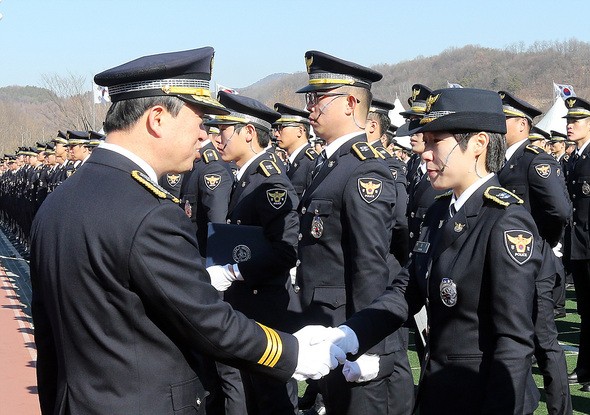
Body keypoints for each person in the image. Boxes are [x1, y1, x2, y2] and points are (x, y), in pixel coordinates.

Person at [30, 47, 344, 415]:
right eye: (198, 119)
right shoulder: (149, 211)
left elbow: (48, 339)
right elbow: (207, 320)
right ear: (157, 118)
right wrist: (292, 353)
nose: (204, 136)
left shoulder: (59, 201)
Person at [305, 87, 543, 415]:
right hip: (439, 391)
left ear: (479, 143)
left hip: (482, 397)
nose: (425, 153)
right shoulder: (439, 212)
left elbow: (514, 344)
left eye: (436, 141)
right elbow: (406, 290)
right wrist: (348, 335)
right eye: (425, 141)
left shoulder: (505, 221)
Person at [292, 50, 398, 415]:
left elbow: (369, 262)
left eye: (318, 99)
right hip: (327, 325)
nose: (310, 109)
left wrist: (368, 345)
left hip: (348, 326)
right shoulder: (331, 165)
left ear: (351, 103)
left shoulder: (364, 170)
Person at [206, 91, 300, 415]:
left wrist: (232, 271)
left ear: (248, 132)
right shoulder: (244, 178)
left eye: (225, 130)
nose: (219, 138)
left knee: (270, 398)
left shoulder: (270, 183)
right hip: (245, 305)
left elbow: (285, 253)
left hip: (265, 309)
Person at [496, 91, 572, 415]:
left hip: (536, 265)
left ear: (522, 125)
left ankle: (561, 411)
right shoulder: (499, 161)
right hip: (509, 267)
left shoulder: (534, 159)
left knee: (546, 346)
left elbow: (560, 211)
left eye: (504, 120)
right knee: (516, 343)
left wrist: (543, 244)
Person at [563, 97, 590, 390]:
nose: (570, 126)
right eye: (569, 121)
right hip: (578, 244)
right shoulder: (576, 158)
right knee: (585, 311)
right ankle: (584, 368)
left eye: (577, 121)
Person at [273, 102, 318, 199]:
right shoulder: (290, 162)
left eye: (281, 128)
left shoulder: (312, 163)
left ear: (300, 131)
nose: (276, 134)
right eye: (275, 129)